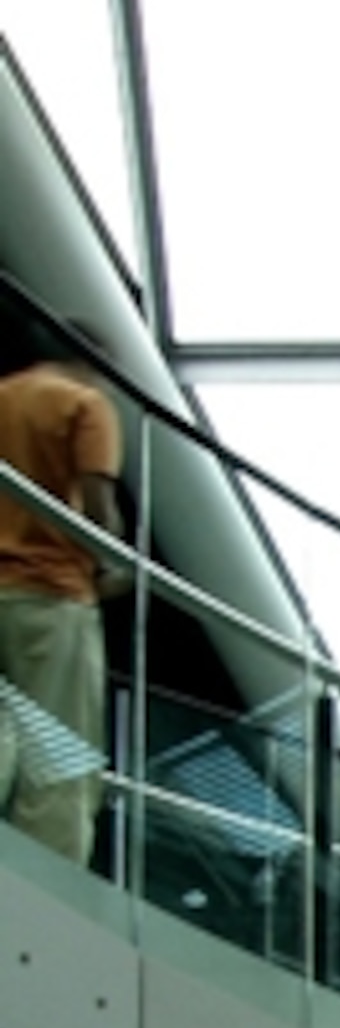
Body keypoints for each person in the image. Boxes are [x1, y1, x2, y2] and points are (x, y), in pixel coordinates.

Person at [0, 339, 125, 865]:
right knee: (59, 754)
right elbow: (98, 509)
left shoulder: (5, 394)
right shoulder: (85, 404)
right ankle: (45, 882)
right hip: (52, 593)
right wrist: (115, 565)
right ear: (96, 365)